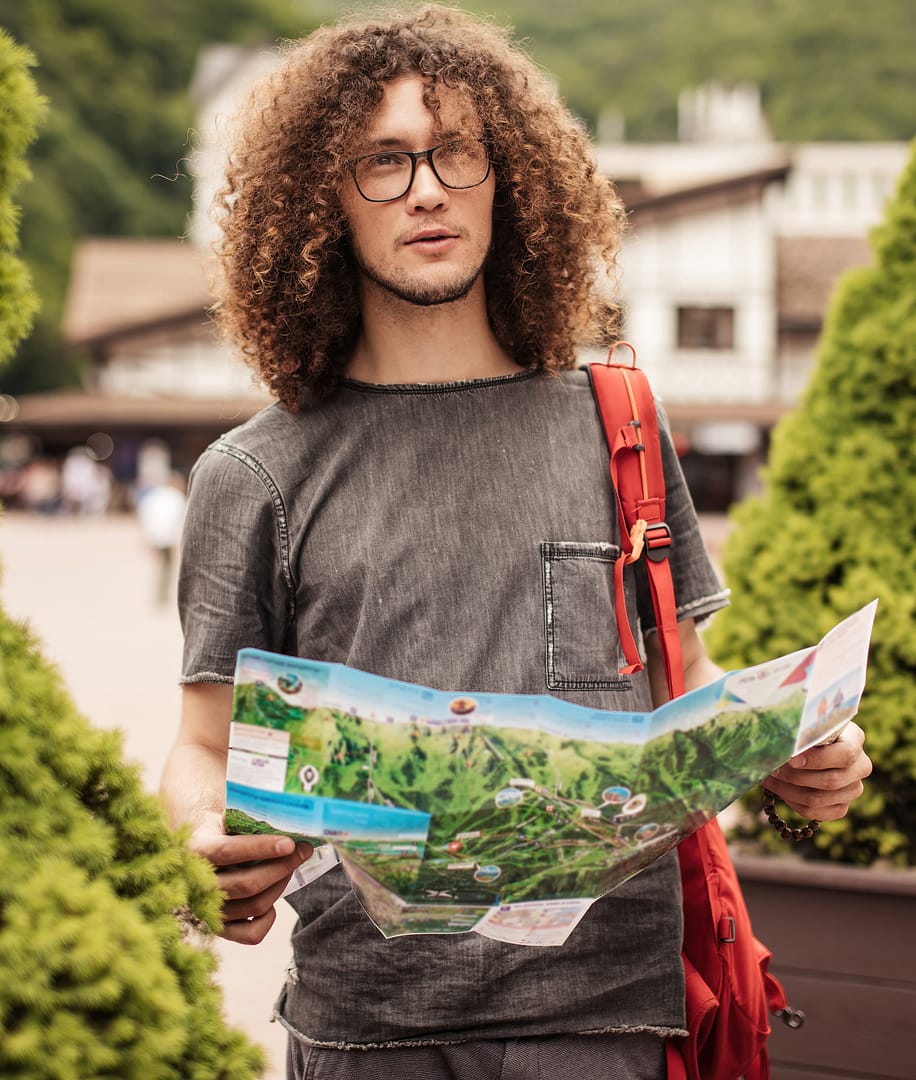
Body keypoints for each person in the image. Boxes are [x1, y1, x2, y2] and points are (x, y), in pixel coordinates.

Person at [160, 7, 873, 1078]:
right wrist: (200, 846)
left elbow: (687, 680)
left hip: (609, 1021)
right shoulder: (252, 475)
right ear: (320, 204)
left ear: (511, 178)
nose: (428, 188)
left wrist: (790, 751)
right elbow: (204, 748)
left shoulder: (618, 421)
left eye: (455, 152)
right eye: (382, 164)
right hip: (369, 1030)